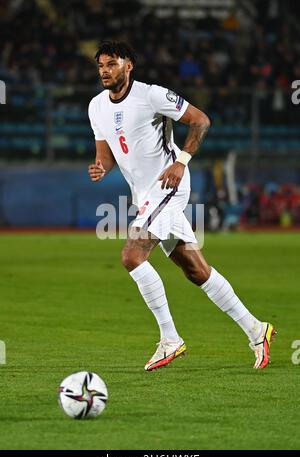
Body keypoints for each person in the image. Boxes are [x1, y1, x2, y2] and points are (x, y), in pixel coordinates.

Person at [88, 41, 276, 371]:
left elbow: (201, 120)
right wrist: (101, 167)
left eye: (112, 63)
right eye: (101, 64)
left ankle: (170, 339)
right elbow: (106, 155)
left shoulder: (152, 96)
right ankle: (257, 329)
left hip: (168, 185)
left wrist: (182, 161)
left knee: (131, 256)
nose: (105, 70)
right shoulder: (96, 107)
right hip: (145, 195)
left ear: (128, 65)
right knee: (196, 270)